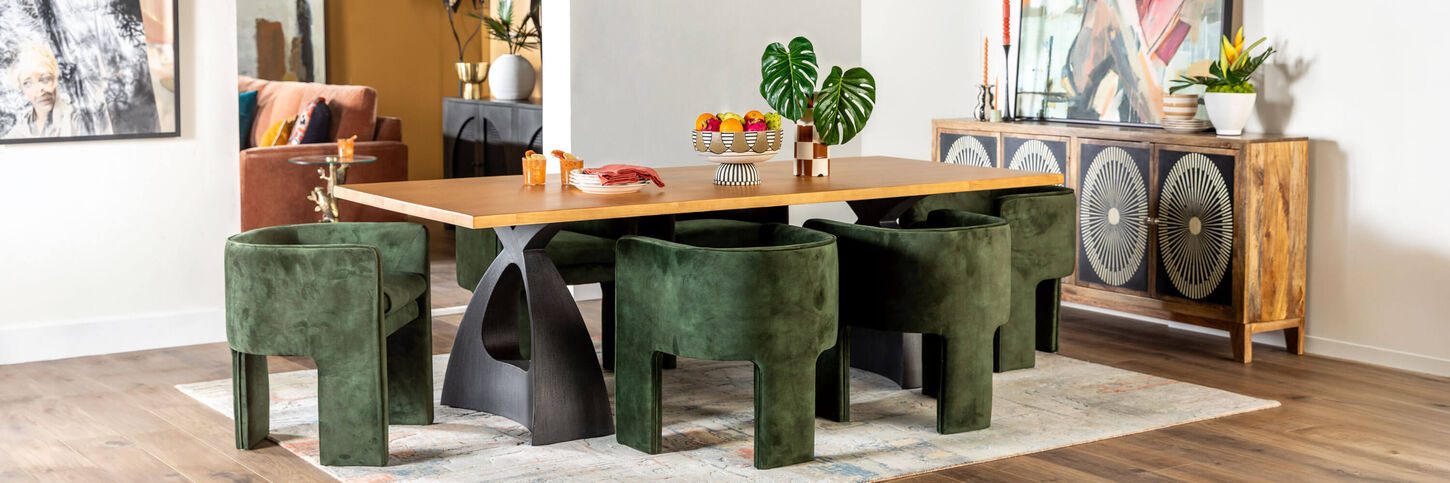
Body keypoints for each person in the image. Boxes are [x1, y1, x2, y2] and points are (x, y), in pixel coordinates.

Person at [4, 43, 109, 139]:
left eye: (45, 79)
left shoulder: (79, 118)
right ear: (21, 88)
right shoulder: (19, 129)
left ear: (55, 78)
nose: (40, 89)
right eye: (28, 83)